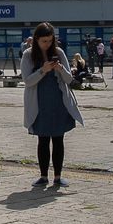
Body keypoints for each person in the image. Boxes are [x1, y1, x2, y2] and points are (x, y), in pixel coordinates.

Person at [21, 22, 83, 188]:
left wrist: (60, 69)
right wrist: (43, 70)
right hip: (40, 104)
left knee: (58, 139)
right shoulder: (28, 55)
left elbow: (70, 79)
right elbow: (27, 81)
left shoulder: (59, 52)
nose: (47, 44)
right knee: (42, 139)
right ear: (36, 40)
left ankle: (57, 176)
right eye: (44, 41)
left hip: (58, 103)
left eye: (50, 41)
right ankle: (43, 176)